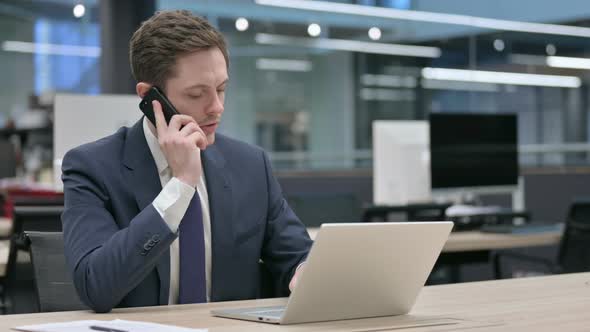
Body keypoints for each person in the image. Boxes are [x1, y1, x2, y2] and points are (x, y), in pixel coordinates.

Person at [61, 10, 312, 313]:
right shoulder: (92, 168)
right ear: (150, 97)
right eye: (197, 94)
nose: (217, 107)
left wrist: (305, 273)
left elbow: (298, 255)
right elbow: (96, 287)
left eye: (221, 89)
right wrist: (180, 187)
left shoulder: (250, 165)